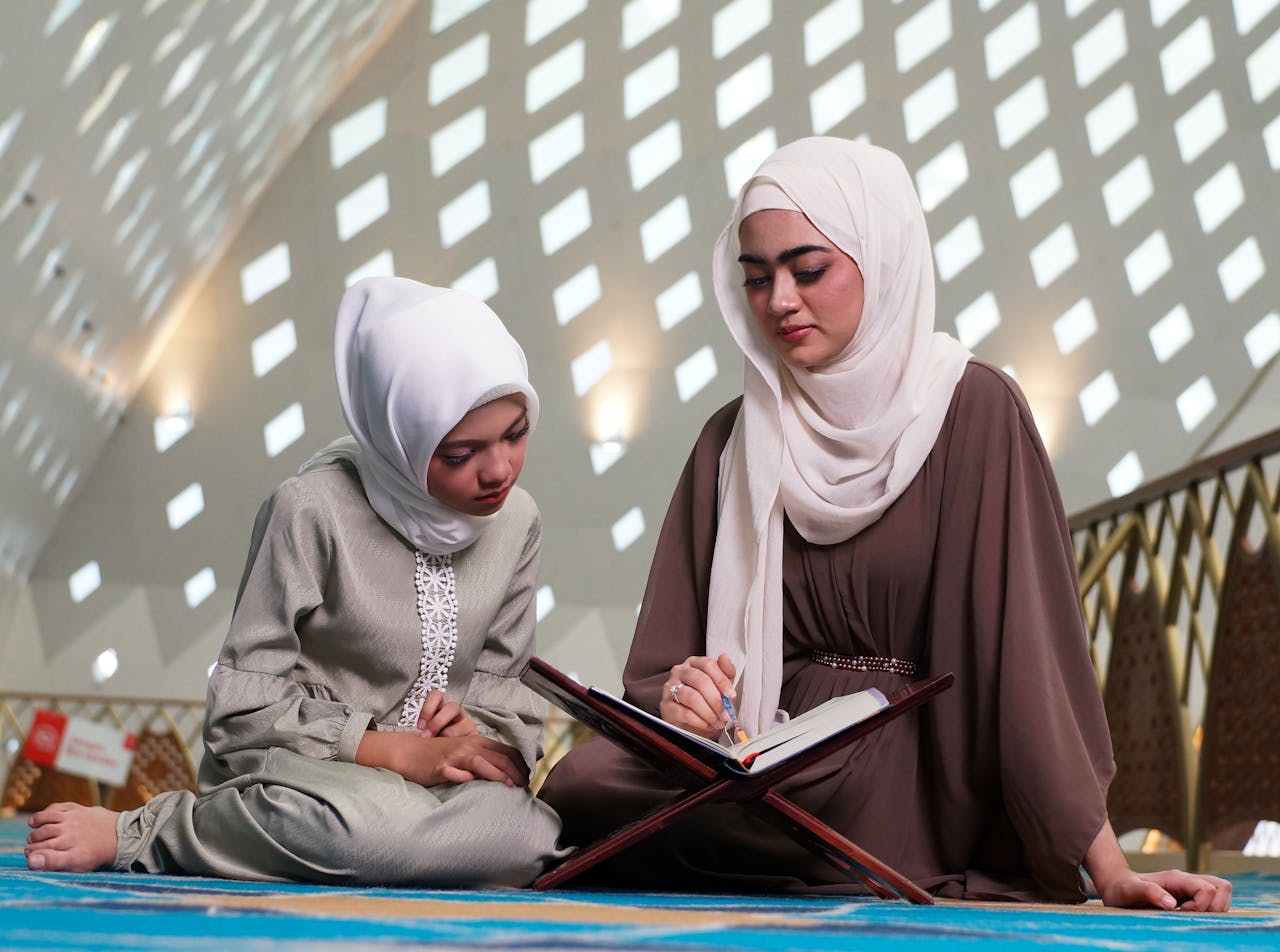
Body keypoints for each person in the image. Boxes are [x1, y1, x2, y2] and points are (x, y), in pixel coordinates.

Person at [538, 138, 1232, 911]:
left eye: (809, 270)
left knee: (721, 816)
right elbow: (662, 665)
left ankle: (773, 844)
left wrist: (1108, 869)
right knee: (582, 783)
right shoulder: (729, 441)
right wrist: (685, 695)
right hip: (752, 750)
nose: (779, 303)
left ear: (883, 258)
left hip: (916, 762)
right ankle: (776, 844)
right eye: (757, 278)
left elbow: (1026, 653)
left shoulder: (974, 411)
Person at [25, 277, 566, 887]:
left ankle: (399, 841)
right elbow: (241, 711)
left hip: (434, 790)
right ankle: (156, 830)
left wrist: (474, 736)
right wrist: (391, 751)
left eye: (516, 434)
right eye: (460, 454)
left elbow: (505, 691)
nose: (499, 470)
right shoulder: (310, 510)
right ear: (399, 437)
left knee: (535, 839)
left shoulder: (518, 520)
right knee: (356, 832)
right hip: (313, 773)